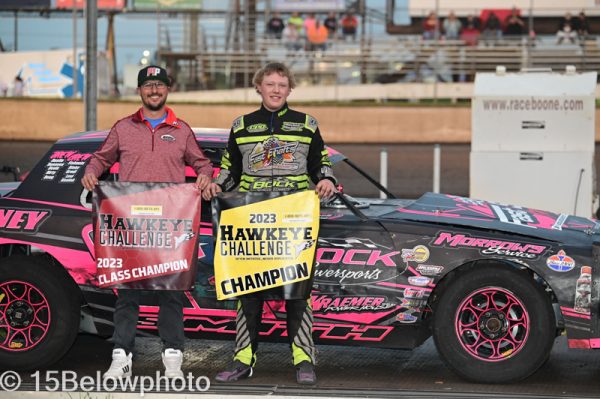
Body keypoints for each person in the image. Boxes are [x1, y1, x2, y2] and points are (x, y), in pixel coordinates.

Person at [203, 62, 337, 386]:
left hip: (294, 222)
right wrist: (216, 184)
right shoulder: (241, 126)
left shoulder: (307, 124)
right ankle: (243, 360)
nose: (276, 90)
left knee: (297, 292)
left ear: (289, 89)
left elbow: (322, 163)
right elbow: (228, 169)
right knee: (249, 293)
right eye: (270, 84)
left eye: (281, 84)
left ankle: (304, 359)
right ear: (258, 87)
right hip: (251, 221)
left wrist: (328, 180)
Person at [81, 65, 213, 380]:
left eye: (159, 85)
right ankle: (121, 357)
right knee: (127, 292)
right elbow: (101, 157)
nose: (154, 90)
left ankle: (172, 360)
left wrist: (206, 177)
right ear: (140, 91)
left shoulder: (181, 129)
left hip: (168, 227)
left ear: (168, 89)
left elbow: (202, 162)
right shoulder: (123, 127)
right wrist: (91, 170)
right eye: (148, 85)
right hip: (130, 227)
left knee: (171, 292)